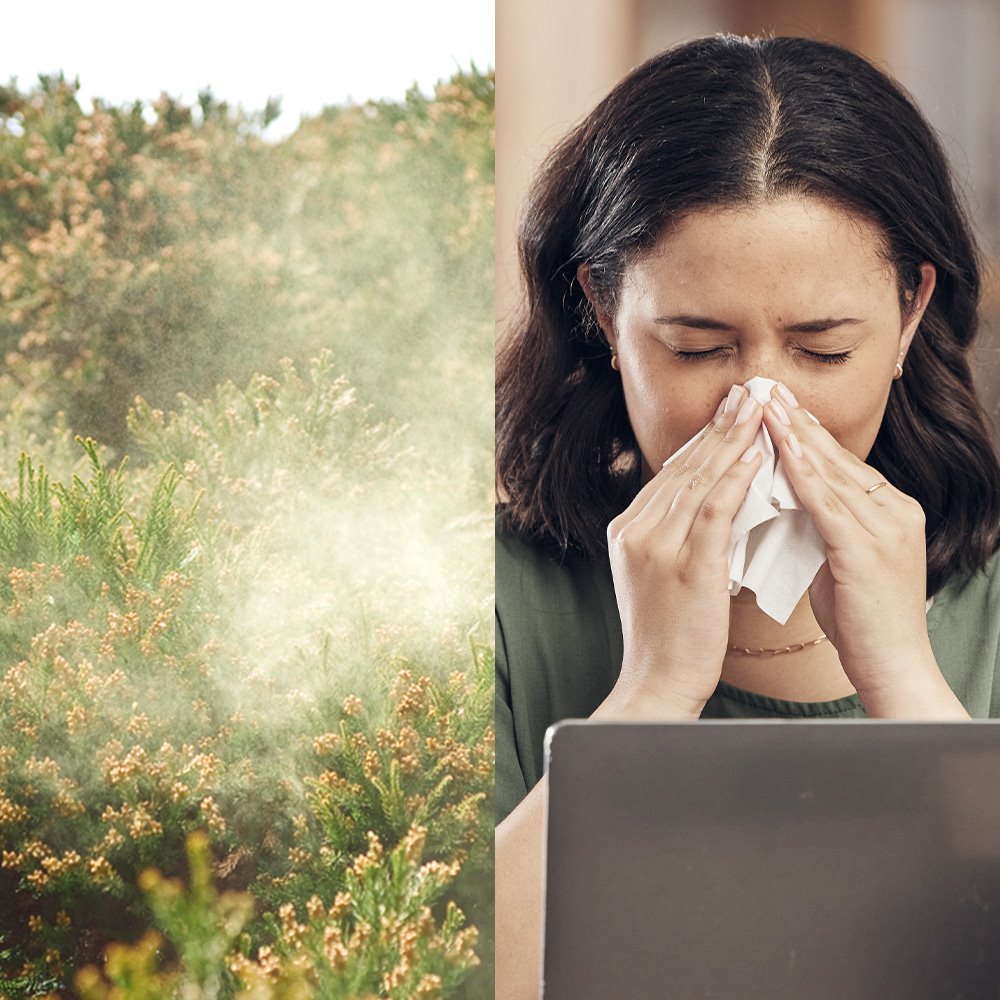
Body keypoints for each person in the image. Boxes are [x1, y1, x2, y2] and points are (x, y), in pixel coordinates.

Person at [494, 33, 1000, 1000]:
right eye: (696, 349)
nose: (761, 405)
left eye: (823, 349)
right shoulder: (497, 603)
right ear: (604, 316)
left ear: (906, 315)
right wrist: (647, 698)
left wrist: (903, 680)